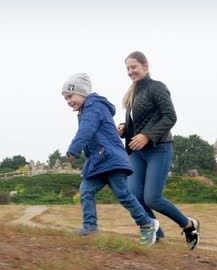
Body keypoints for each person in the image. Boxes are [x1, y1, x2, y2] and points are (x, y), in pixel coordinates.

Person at [62, 72, 160, 246]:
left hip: (111, 159)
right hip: (98, 161)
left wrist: (74, 148)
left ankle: (147, 223)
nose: (69, 101)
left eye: (70, 96)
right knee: (86, 191)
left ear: (82, 92)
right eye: (66, 99)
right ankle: (90, 227)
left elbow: (87, 130)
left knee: (123, 194)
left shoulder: (94, 106)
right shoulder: (86, 110)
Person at [117, 51, 201, 250]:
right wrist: (124, 129)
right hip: (137, 153)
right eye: (127, 68)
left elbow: (170, 117)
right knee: (134, 195)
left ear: (145, 65)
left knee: (152, 198)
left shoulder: (157, 87)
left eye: (133, 67)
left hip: (158, 149)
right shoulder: (133, 93)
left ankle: (188, 225)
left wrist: (147, 136)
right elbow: (137, 125)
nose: (130, 71)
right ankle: (157, 236)